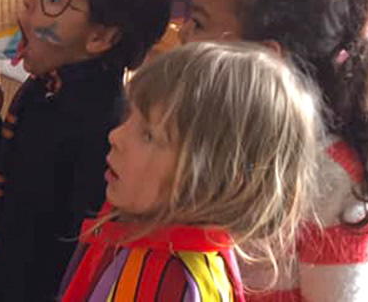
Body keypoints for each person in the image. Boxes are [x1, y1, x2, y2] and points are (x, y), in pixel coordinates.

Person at [181, 0, 368, 301]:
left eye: (198, 23)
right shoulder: (203, 129)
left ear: (264, 58)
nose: (182, 35)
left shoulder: (332, 185)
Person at [0, 0, 171, 302]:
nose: (29, 2)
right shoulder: (43, 89)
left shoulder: (104, 128)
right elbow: (4, 174)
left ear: (100, 38)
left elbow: (86, 247)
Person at [59, 42, 321, 302]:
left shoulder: (175, 283)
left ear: (217, 180)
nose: (116, 136)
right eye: (129, 117)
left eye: (148, 135)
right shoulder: (139, 232)